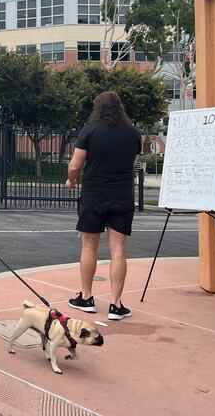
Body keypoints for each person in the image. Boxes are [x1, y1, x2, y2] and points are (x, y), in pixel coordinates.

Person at [66, 91, 141, 321]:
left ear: (97, 108)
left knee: (89, 247)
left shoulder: (89, 131)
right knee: (118, 250)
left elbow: (75, 164)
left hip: (94, 195)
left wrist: (71, 179)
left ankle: (86, 298)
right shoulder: (133, 134)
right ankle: (116, 304)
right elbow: (133, 162)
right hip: (122, 195)